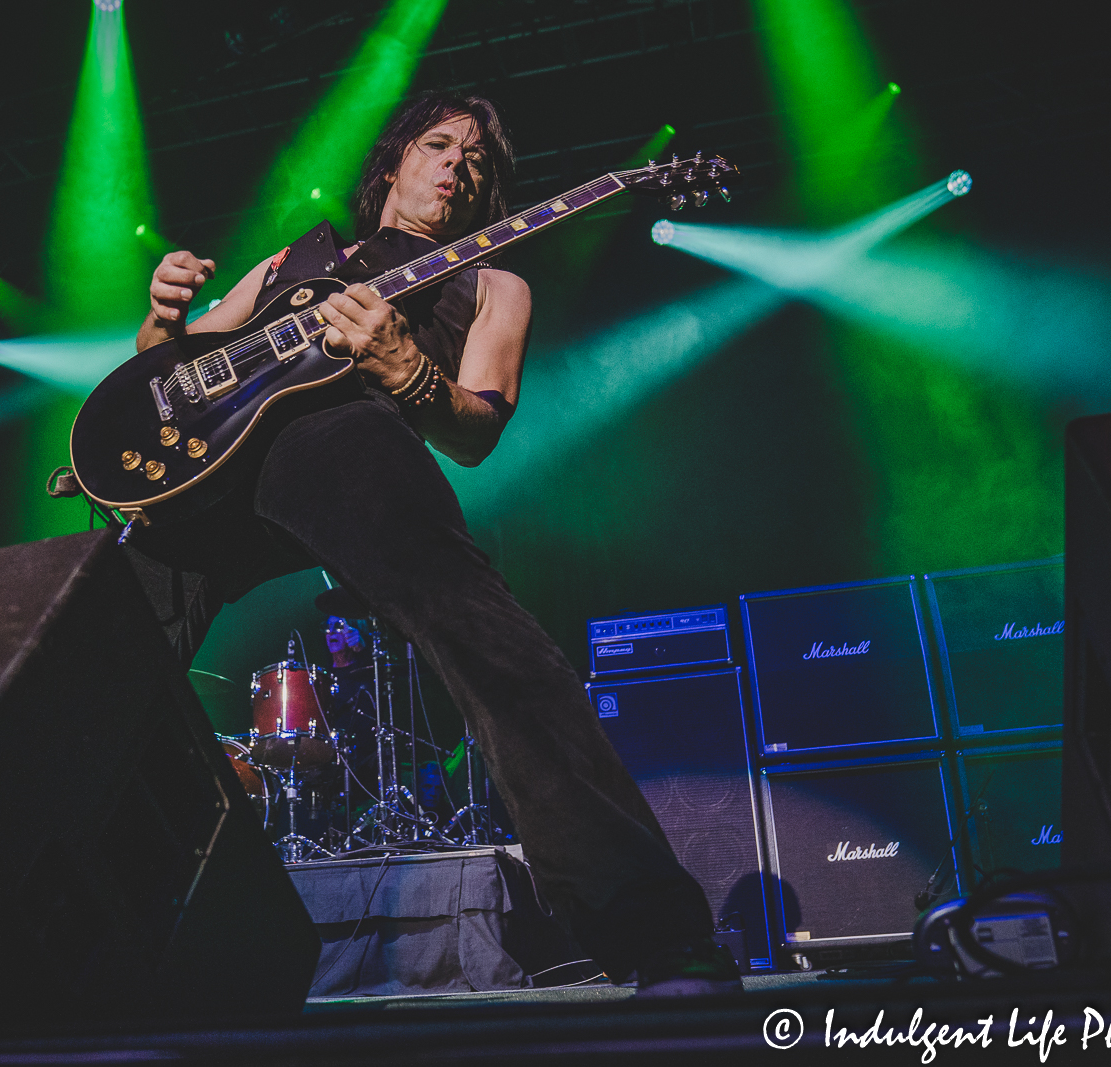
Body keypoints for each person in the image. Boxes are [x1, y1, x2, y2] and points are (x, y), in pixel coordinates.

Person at [118, 91, 740, 995]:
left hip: (346, 440)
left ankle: (654, 930)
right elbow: (174, 369)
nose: (459, 164)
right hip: (214, 474)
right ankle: (10, 914)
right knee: (101, 647)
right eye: (442, 144)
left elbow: (478, 429)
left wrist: (407, 369)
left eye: (477, 161)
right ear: (396, 160)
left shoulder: (493, 282)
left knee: (490, 643)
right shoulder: (299, 255)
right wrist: (164, 317)